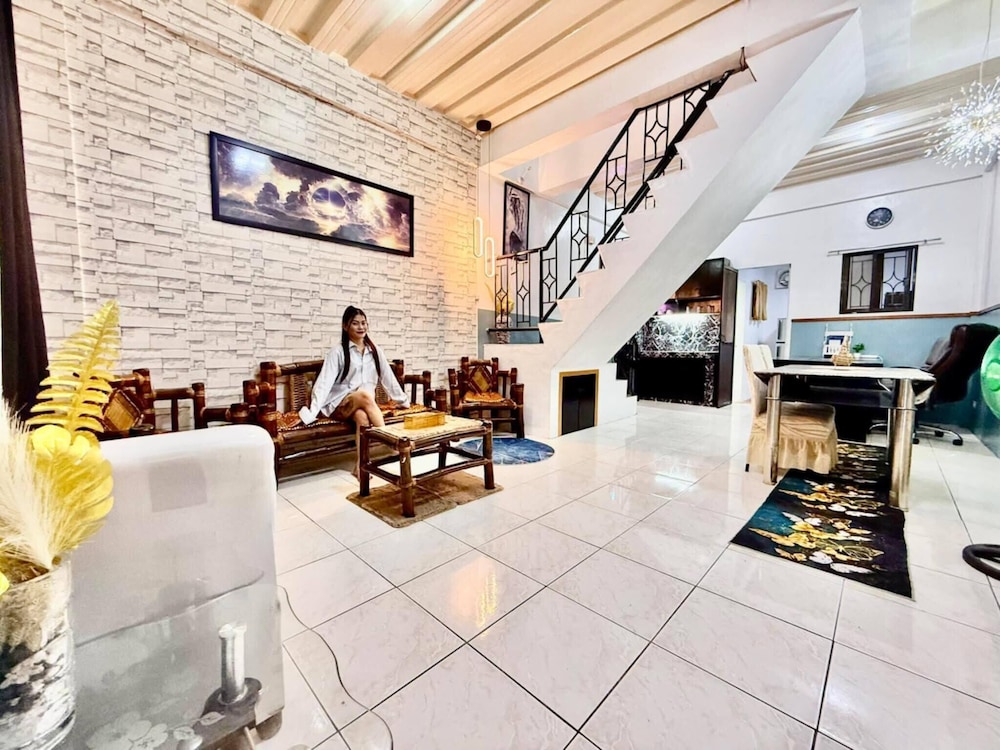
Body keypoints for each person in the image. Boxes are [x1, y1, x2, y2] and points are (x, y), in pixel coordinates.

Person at [299, 305, 410, 475]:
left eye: (363, 323)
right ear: (345, 326)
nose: (361, 327)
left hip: (364, 405)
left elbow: (388, 377)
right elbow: (324, 383)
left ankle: (360, 466)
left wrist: (403, 401)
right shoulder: (338, 352)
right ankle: (392, 442)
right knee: (364, 395)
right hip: (338, 405)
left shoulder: (375, 351)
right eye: (355, 323)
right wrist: (313, 411)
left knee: (362, 417)